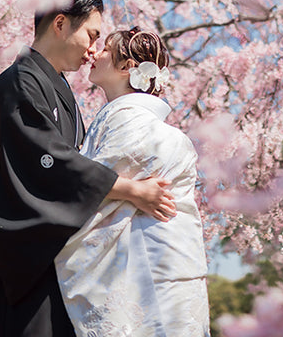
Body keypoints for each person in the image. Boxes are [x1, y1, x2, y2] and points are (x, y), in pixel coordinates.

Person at [0, 0, 177, 337]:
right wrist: (130, 190)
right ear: (60, 24)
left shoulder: (54, 89)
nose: (93, 50)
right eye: (92, 35)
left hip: (53, 257)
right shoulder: (19, 84)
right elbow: (48, 161)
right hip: (24, 263)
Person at [55, 27, 210, 337]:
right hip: (161, 266)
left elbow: (84, 184)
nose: (94, 53)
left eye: (105, 49)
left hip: (149, 265)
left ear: (127, 67)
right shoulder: (123, 119)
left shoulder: (134, 123)